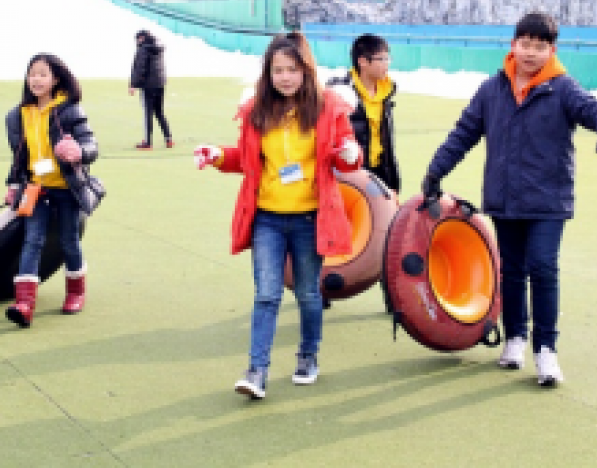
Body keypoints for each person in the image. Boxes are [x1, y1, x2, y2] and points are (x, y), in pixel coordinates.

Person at [420, 12, 597, 386]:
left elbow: (595, 110)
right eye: (525, 44)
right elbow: (463, 133)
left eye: (540, 46)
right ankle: (515, 338)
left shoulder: (563, 88)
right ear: (513, 44)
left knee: (543, 267)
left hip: (548, 200)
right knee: (512, 270)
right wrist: (436, 171)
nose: (531, 52)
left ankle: (546, 350)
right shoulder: (491, 90)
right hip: (505, 199)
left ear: (552, 50)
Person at [193, 32, 363, 400]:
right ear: (268, 73)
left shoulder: (328, 108)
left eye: (292, 69)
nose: (285, 77)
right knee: (267, 295)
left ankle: (308, 356)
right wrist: (217, 155)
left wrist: (350, 153)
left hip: (309, 218)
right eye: (277, 70)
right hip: (267, 219)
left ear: (306, 70)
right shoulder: (257, 111)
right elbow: (246, 159)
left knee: (307, 293)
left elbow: (345, 154)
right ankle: (256, 371)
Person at [4, 53, 104, 328]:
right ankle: (24, 304)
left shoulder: (69, 110)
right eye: (32, 74)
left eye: (42, 74)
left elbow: (91, 146)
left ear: (56, 79)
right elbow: (18, 157)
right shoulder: (18, 115)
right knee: (32, 241)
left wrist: (78, 151)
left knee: (68, 241)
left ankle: (76, 293)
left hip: (66, 189)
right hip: (36, 189)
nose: (35, 79)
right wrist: (13, 186)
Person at [327, 33, 400, 314]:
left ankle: (392, 297)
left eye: (387, 58)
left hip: (380, 172)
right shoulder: (338, 91)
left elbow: (388, 140)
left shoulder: (386, 90)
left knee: (389, 234)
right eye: (381, 59)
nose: (387, 64)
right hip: (345, 173)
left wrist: (393, 181)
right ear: (363, 62)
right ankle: (319, 287)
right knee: (330, 232)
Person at [130, 30, 172, 149]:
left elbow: (140, 68)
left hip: (148, 85)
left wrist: (133, 85)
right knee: (159, 112)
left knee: (147, 114)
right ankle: (168, 138)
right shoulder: (158, 47)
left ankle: (147, 142)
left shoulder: (143, 49)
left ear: (141, 38)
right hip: (160, 84)